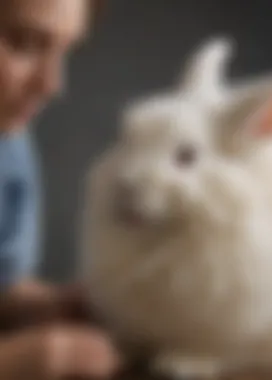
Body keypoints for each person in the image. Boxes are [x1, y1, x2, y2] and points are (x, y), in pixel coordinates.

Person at [0, 0, 121, 379]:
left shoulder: (9, 142)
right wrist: (18, 361)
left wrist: (52, 306)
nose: (52, 86)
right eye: (25, 43)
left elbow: (3, 285)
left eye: (64, 52)